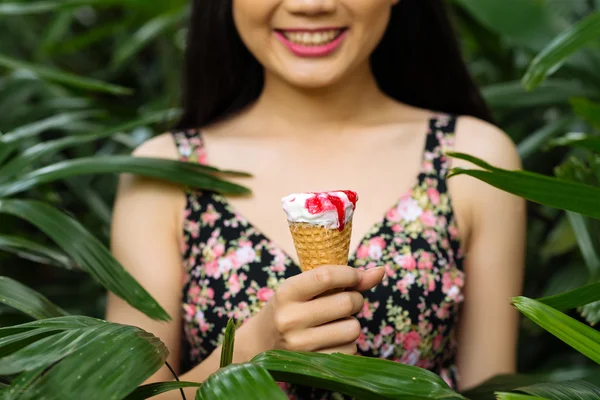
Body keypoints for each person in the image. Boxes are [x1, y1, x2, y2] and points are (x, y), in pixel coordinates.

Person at [105, 0, 526, 398]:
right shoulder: (165, 171)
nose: (310, 5)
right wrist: (256, 347)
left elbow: (493, 390)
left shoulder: (471, 158)